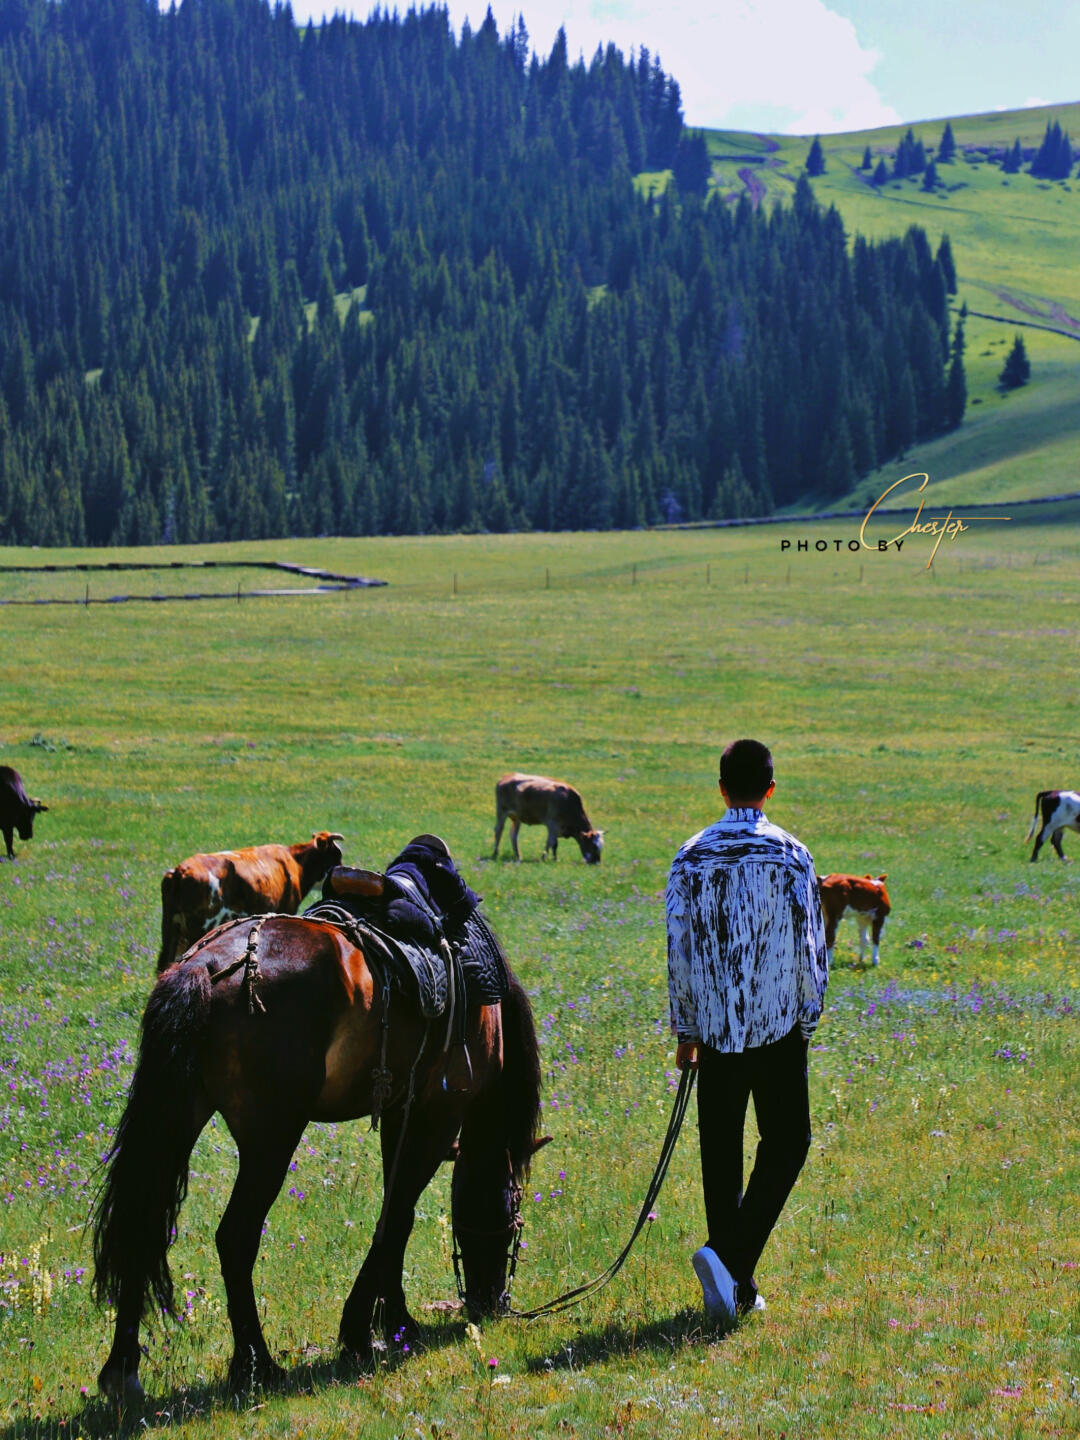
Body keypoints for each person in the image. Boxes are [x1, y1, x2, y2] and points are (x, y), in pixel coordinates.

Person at [665, 738, 828, 1324]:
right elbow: (813, 948)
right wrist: (807, 1019)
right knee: (789, 1144)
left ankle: (730, 1277)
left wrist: (686, 1029)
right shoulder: (791, 855)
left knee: (721, 1158)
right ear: (771, 789)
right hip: (780, 1026)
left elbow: (678, 951)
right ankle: (731, 1268)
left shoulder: (690, 856)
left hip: (712, 1030)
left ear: (721, 788)